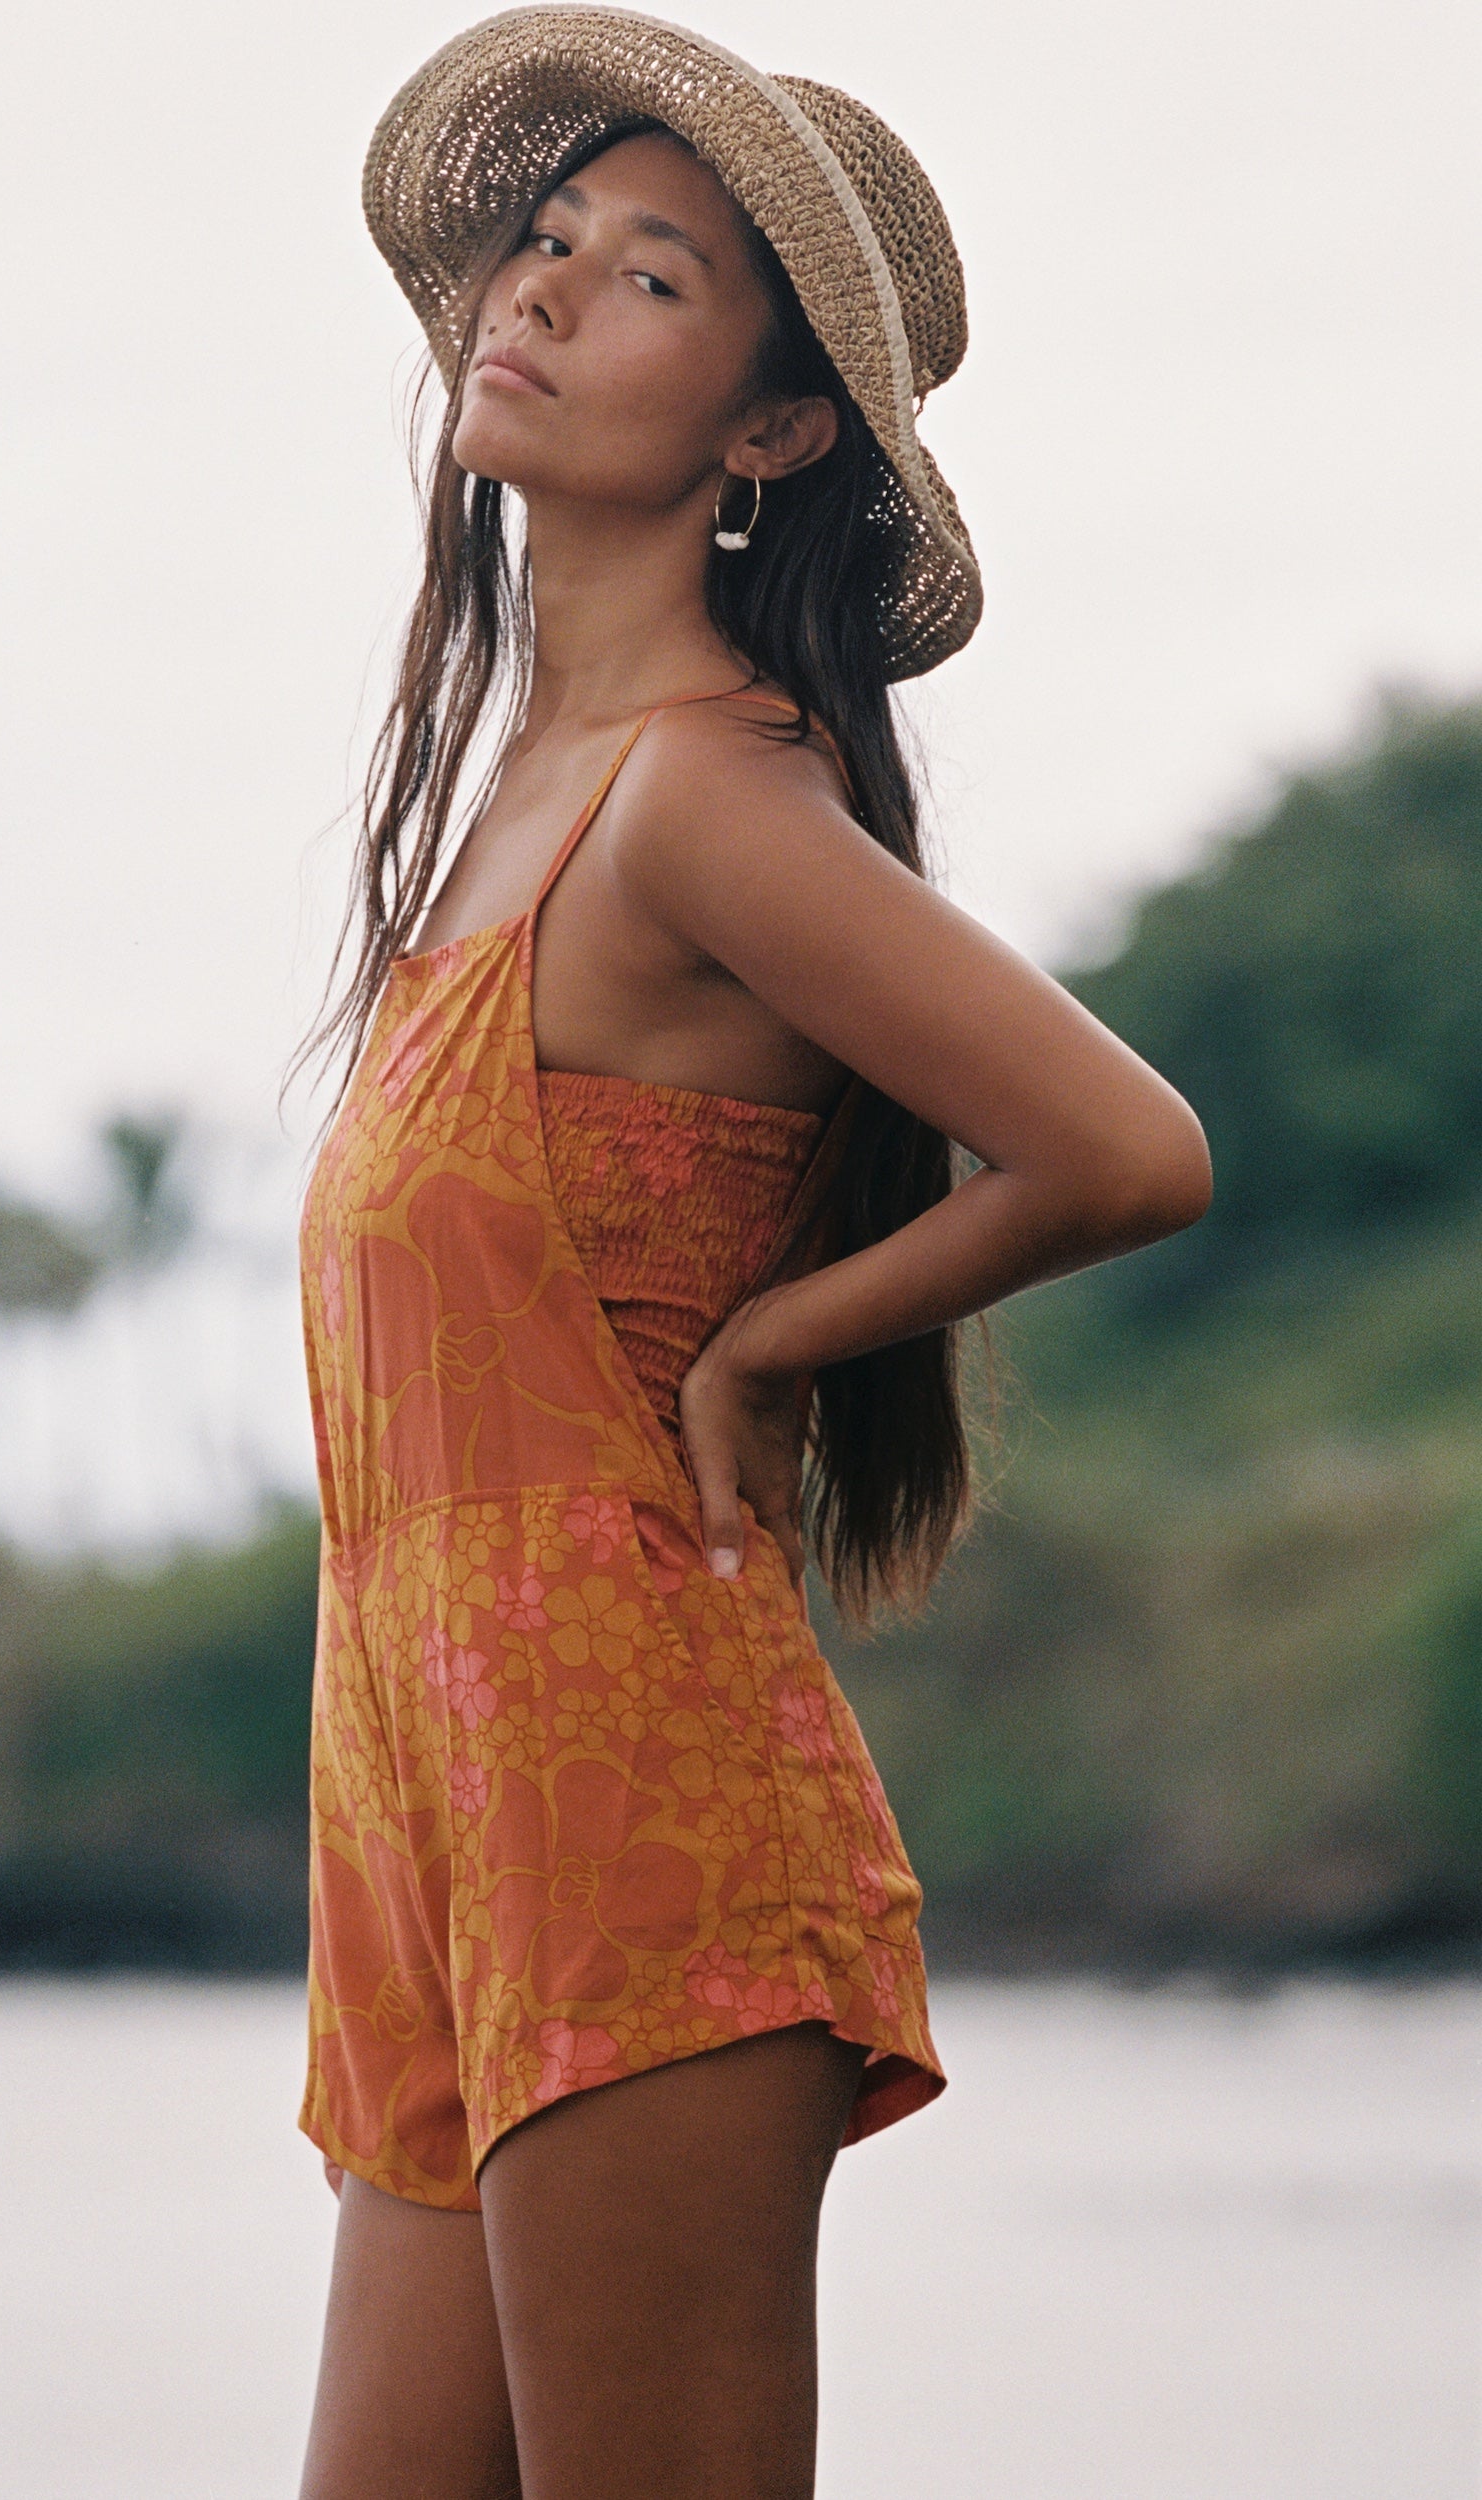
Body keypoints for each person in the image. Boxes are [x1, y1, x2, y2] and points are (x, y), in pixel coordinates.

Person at [292, 13, 1212, 2497]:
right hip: (418, 1807)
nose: (552, 286)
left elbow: (1124, 1145)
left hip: (630, 1802)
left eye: (651, 273)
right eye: (550, 236)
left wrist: (785, 1338)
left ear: (770, 430)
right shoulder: (513, 797)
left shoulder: (707, 793)